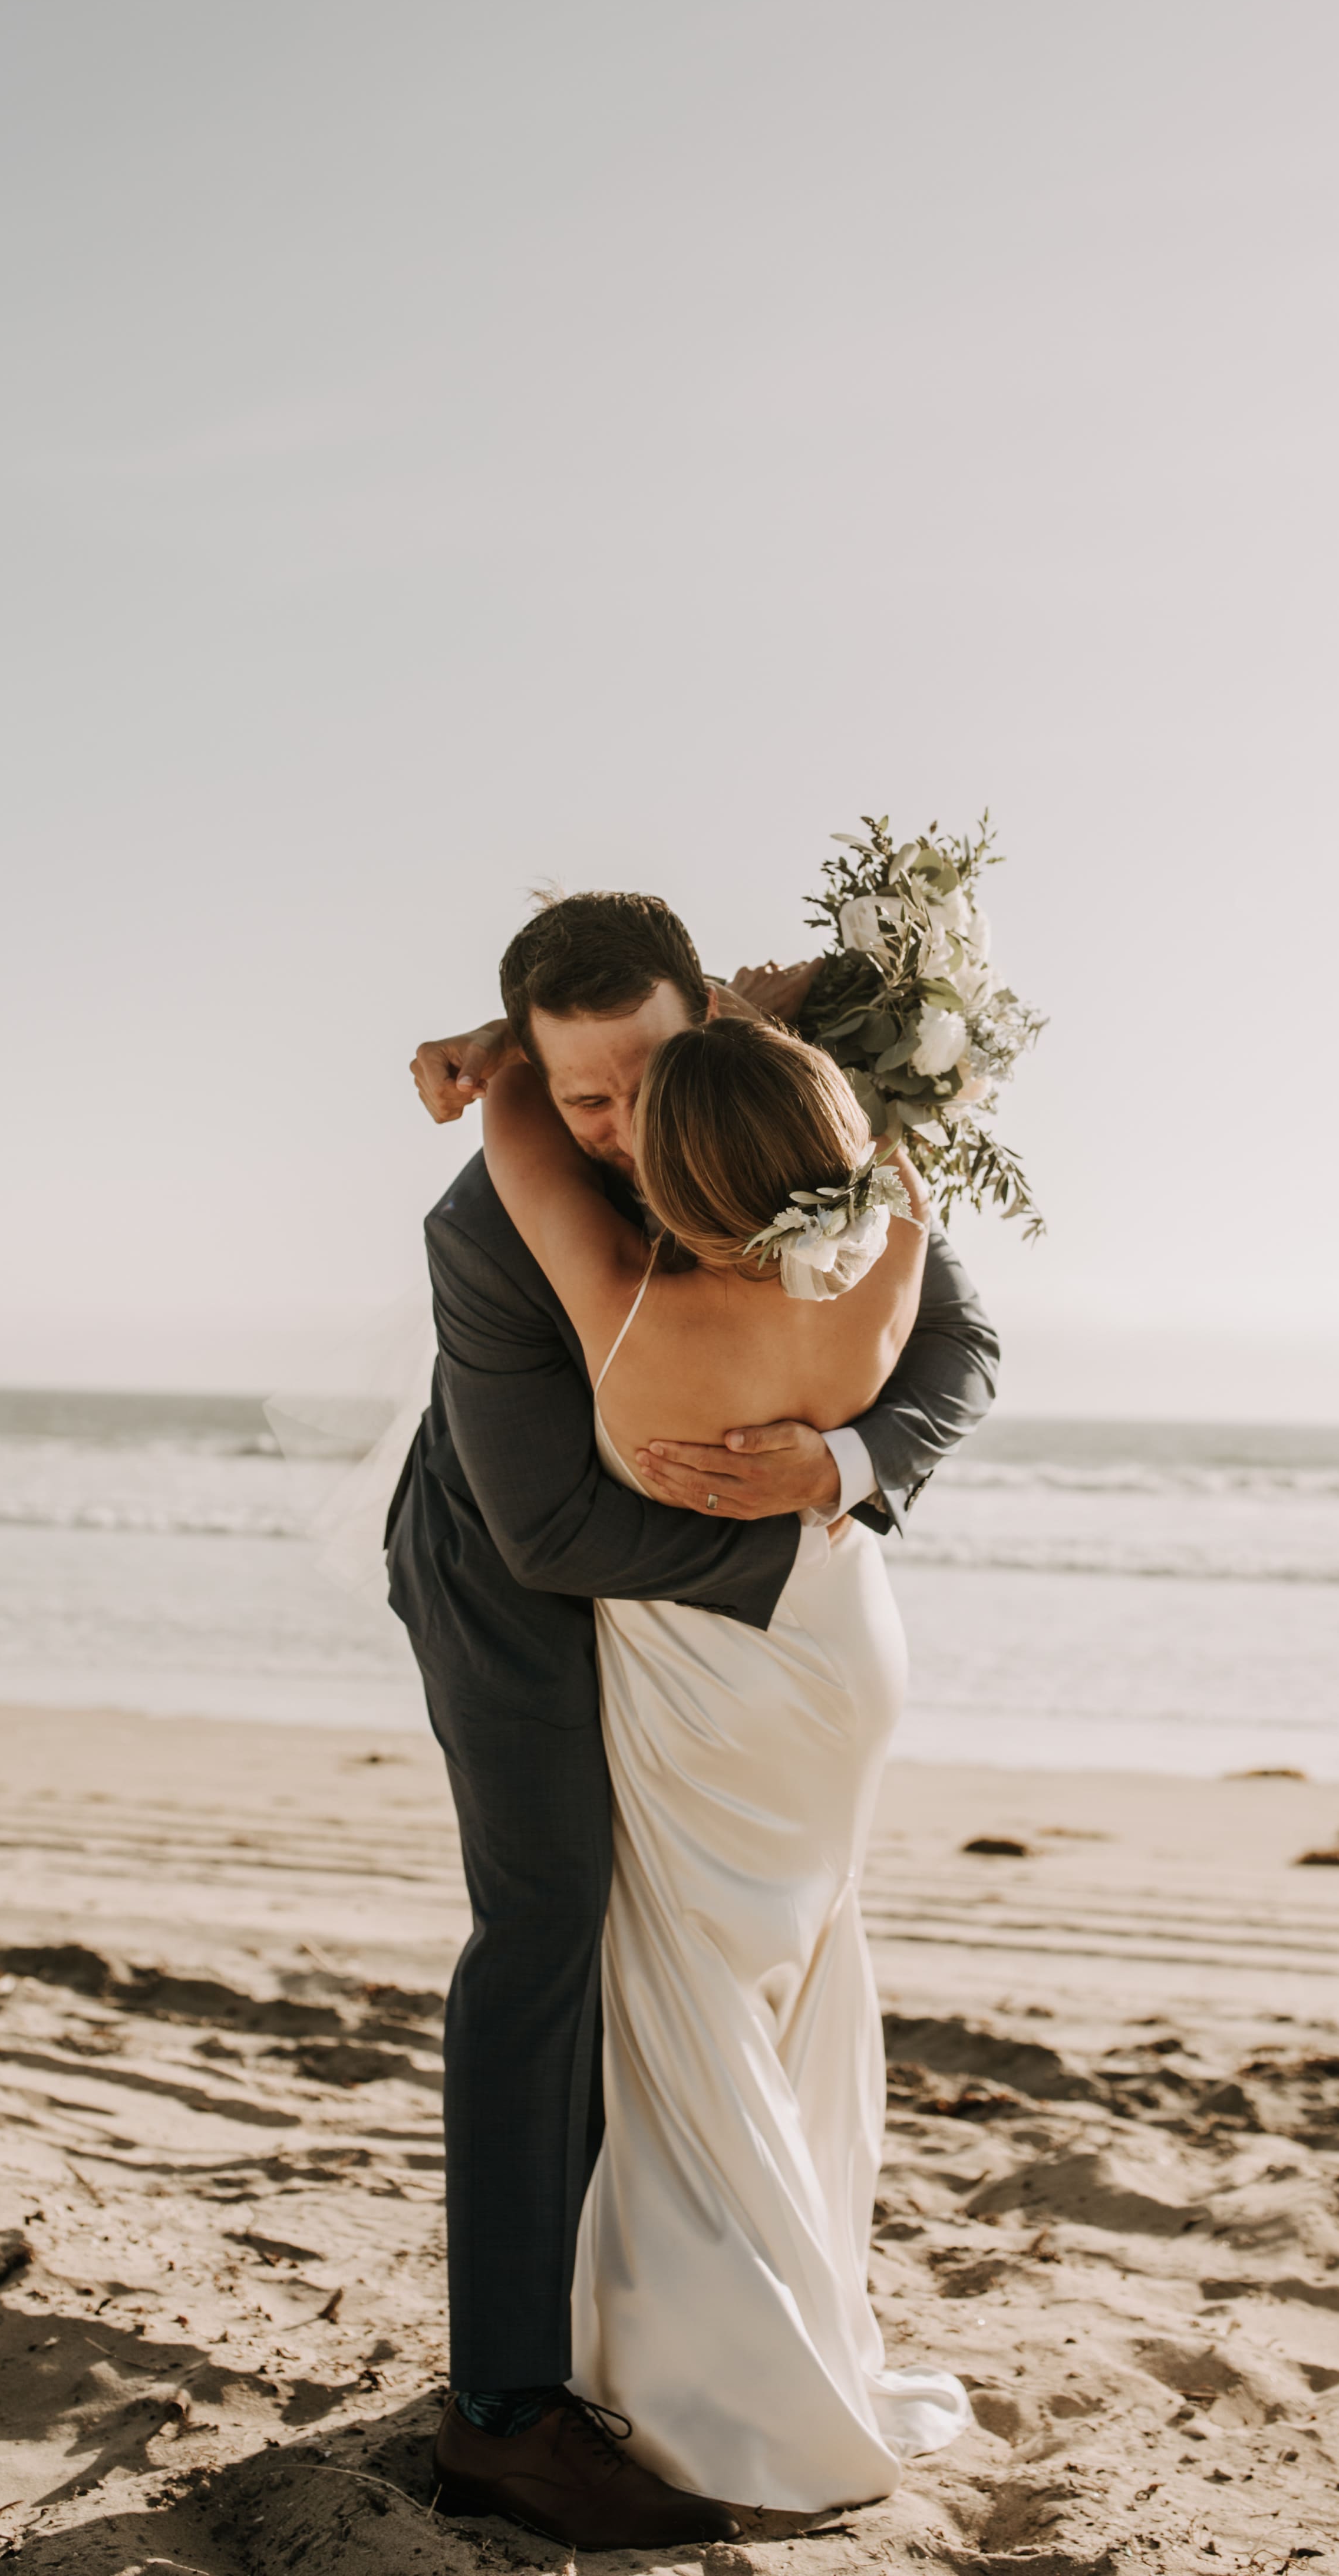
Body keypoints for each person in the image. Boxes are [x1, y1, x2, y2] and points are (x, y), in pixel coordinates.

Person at [388, 891, 998, 2548]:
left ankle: (623, 2326)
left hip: (734, 1597)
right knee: (550, 1934)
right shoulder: (494, 1231)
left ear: (713, 1027)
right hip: (510, 1590)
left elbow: (957, 1347)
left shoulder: (782, 1133)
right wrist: (786, 1551)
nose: (608, 1127)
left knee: (687, 1962)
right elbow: (552, 1534)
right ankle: (505, 2411)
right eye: (575, 1096)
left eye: (637, 1080)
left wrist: (844, 1469)